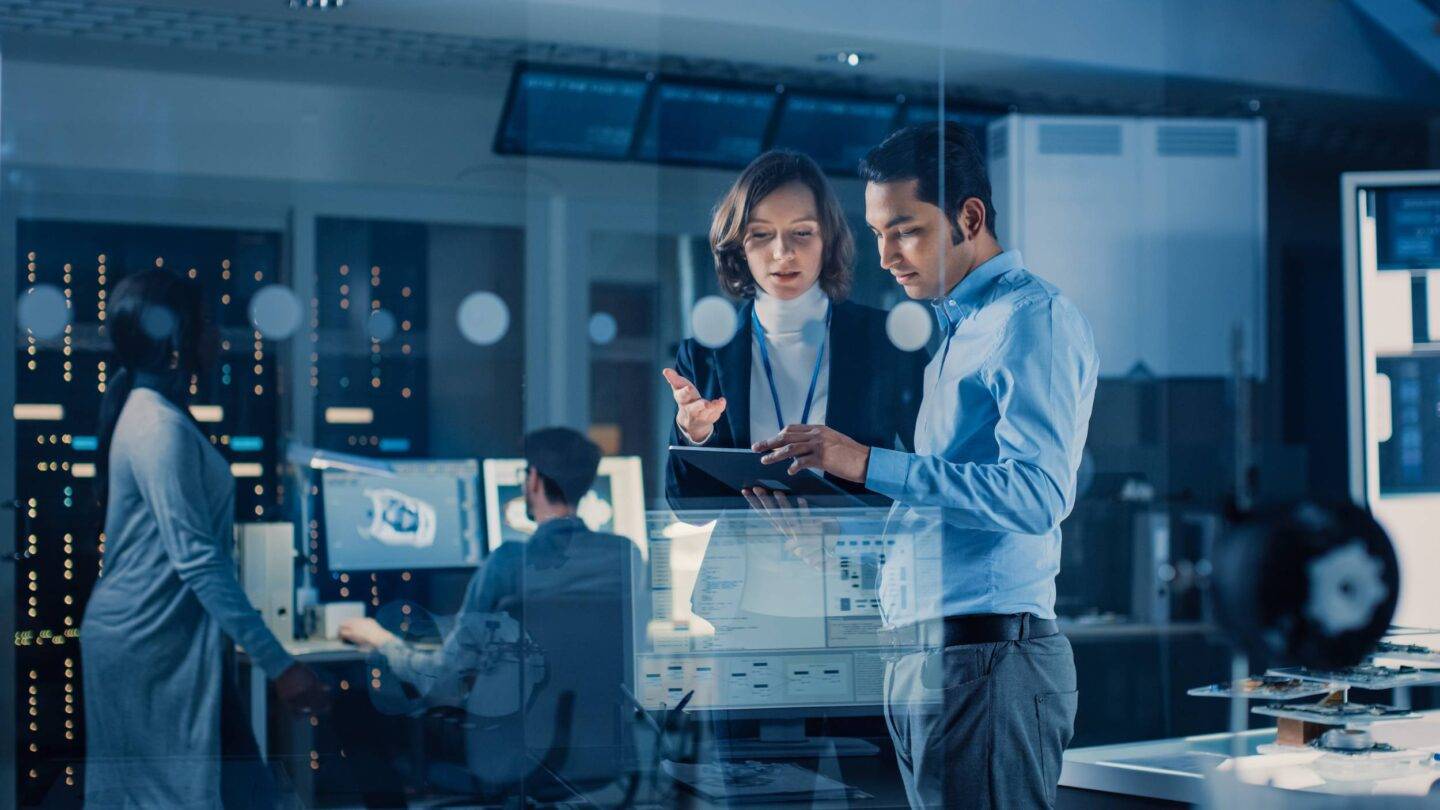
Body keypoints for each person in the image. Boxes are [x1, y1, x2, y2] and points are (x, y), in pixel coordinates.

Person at [751, 122, 1099, 808]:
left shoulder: (1032, 319)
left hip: (988, 662)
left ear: (969, 217)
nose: (885, 255)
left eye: (904, 229)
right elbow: (948, 517)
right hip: (934, 660)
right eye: (878, 233)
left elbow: (1037, 495)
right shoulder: (960, 330)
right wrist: (841, 547)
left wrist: (863, 462)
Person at [81, 269, 328, 809]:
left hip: (164, 640)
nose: (220, 337)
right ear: (176, 337)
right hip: (147, 644)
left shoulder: (158, 415)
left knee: (232, 788)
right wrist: (280, 664)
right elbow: (198, 559)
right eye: (209, 324)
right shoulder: (156, 428)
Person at [339, 428, 643, 795]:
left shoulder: (510, 562)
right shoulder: (625, 556)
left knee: (355, 713)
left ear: (533, 480)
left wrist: (381, 639)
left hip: (511, 757)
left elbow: (441, 678)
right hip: (599, 754)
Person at [663, 149, 925, 508]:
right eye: (761, 235)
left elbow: (931, 477)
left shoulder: (885, 342)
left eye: (801, 232)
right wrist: (694, 434)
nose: (782, 252)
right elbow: (688, 510)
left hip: (853, 559)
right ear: (739, 248)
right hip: (745, 561)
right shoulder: (703, 354)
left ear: (827, 239)